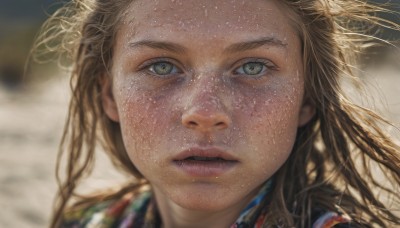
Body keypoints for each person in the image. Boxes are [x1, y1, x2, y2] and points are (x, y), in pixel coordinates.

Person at [32, 0, 400, 227]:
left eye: (253, 67)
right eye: (161, 66)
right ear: (108, 94)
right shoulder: (85, 222)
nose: (205, 113)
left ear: (306, 98)